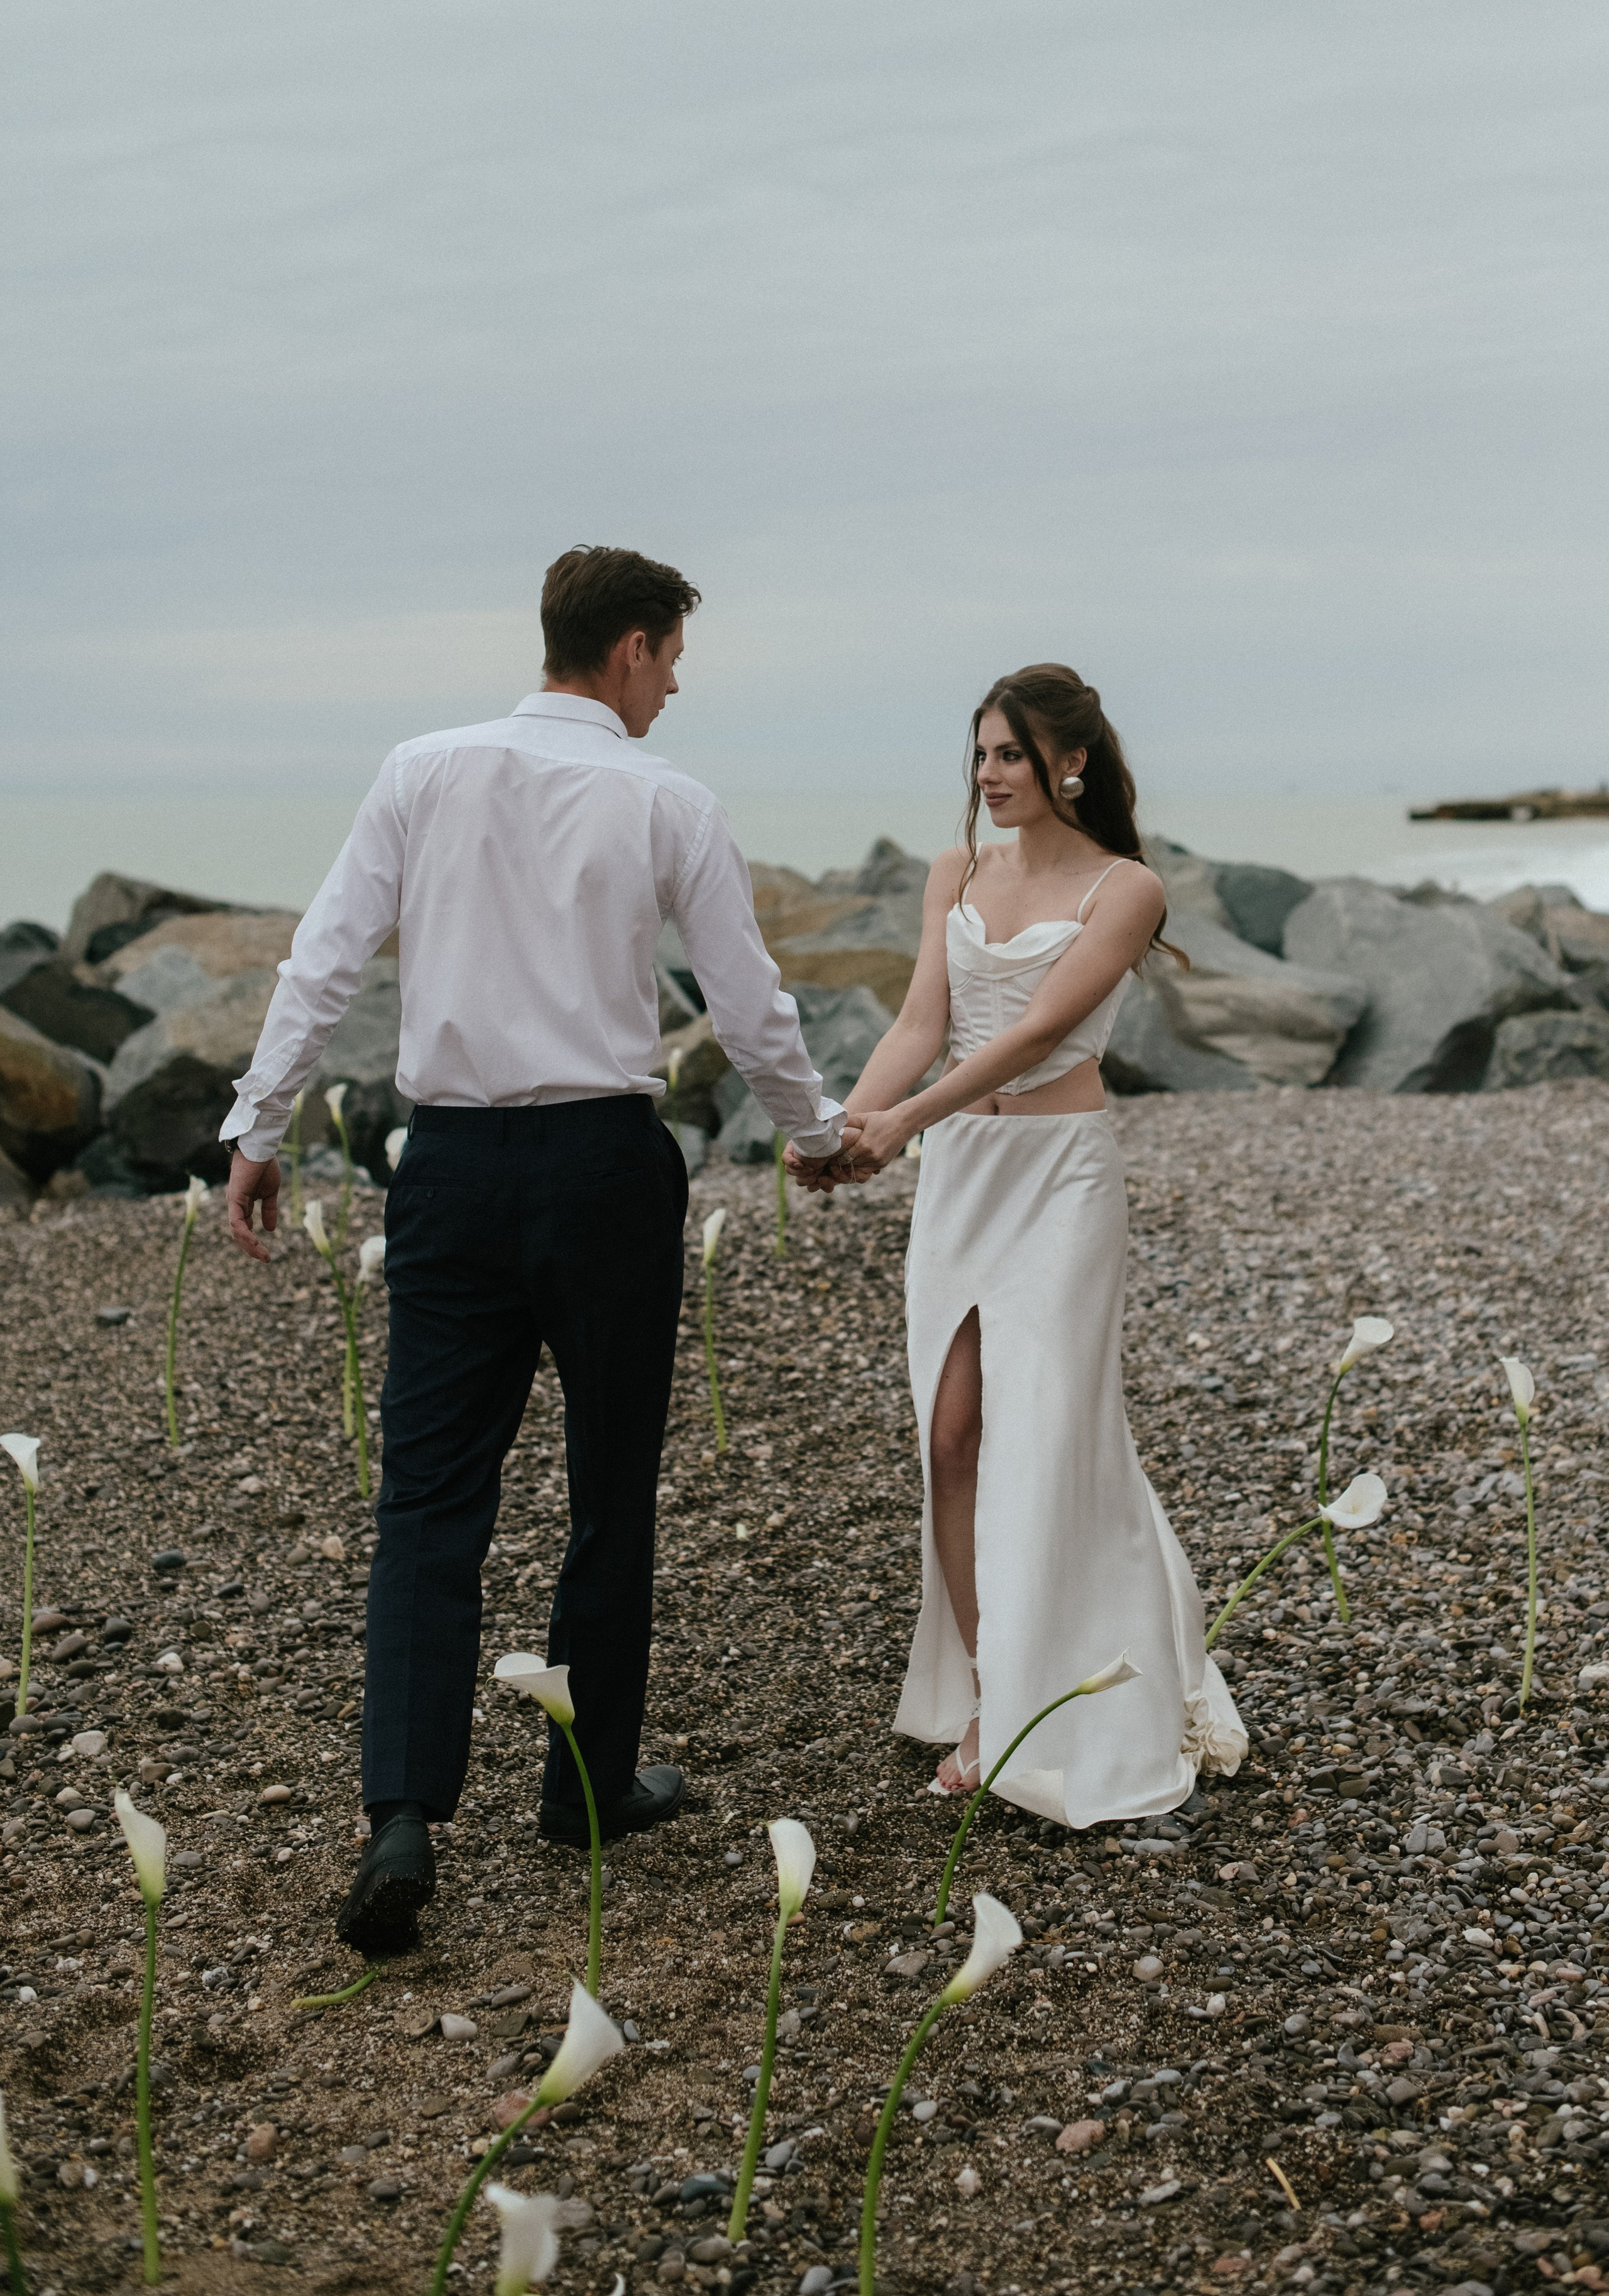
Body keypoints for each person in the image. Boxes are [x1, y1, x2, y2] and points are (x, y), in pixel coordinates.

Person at [222, 545, 852, 1950]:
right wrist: (808, 1130)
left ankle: (401, 1812)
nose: (677, 682)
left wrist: (256, 1128)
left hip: (444, 1168)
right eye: (673, 655)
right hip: (601, 1171)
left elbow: (322, 955)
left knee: (428, 1491)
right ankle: (584, 1784)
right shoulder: (665, 797)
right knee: (608, 1480)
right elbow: (746, 1006)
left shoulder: (420, 768)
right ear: (628, 649)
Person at [794, 663, 1244, 1825]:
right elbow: (921, 1025)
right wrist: (844, 1122)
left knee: (1046, 1432)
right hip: (962, 1179)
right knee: (950, 1435)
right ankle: (994, 1687)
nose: (989, 776)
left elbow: (1044, 1030)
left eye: (1010, 755)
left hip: (1060, 1181)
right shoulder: (957, 871)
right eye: (981, 755)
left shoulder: (1126, 887)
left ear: (1070, 762)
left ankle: (1053, 1706)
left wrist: (906, 1121)